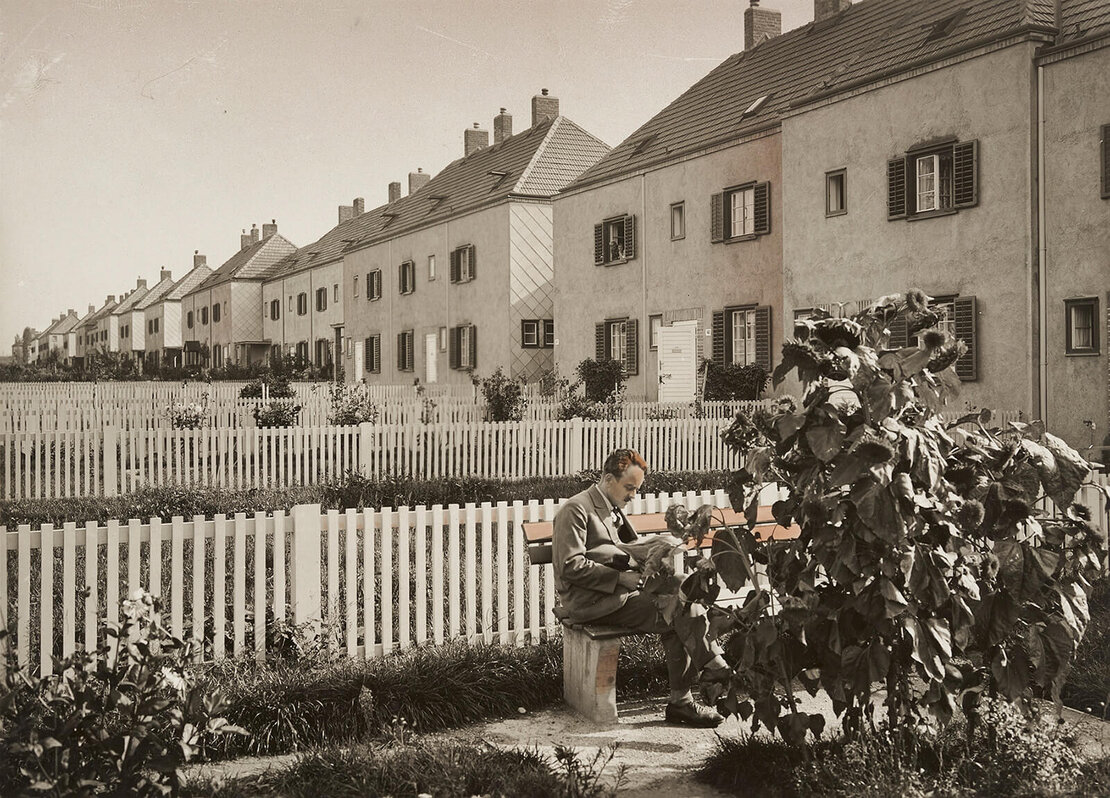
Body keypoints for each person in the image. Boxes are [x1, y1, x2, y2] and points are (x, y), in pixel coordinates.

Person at [552, 448, 730, 727]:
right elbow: (569, 566)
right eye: (629, 487)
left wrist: (654, 557)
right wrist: (620, 579)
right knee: (678, 610)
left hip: (620, 594)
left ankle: (704, 676)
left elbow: (625, 552)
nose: (633, 496)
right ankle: (702, 680)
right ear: (608, 479)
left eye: (637, 489)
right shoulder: (576, 509)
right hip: (591, 601)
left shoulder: (612, 509)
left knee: (684, 587)